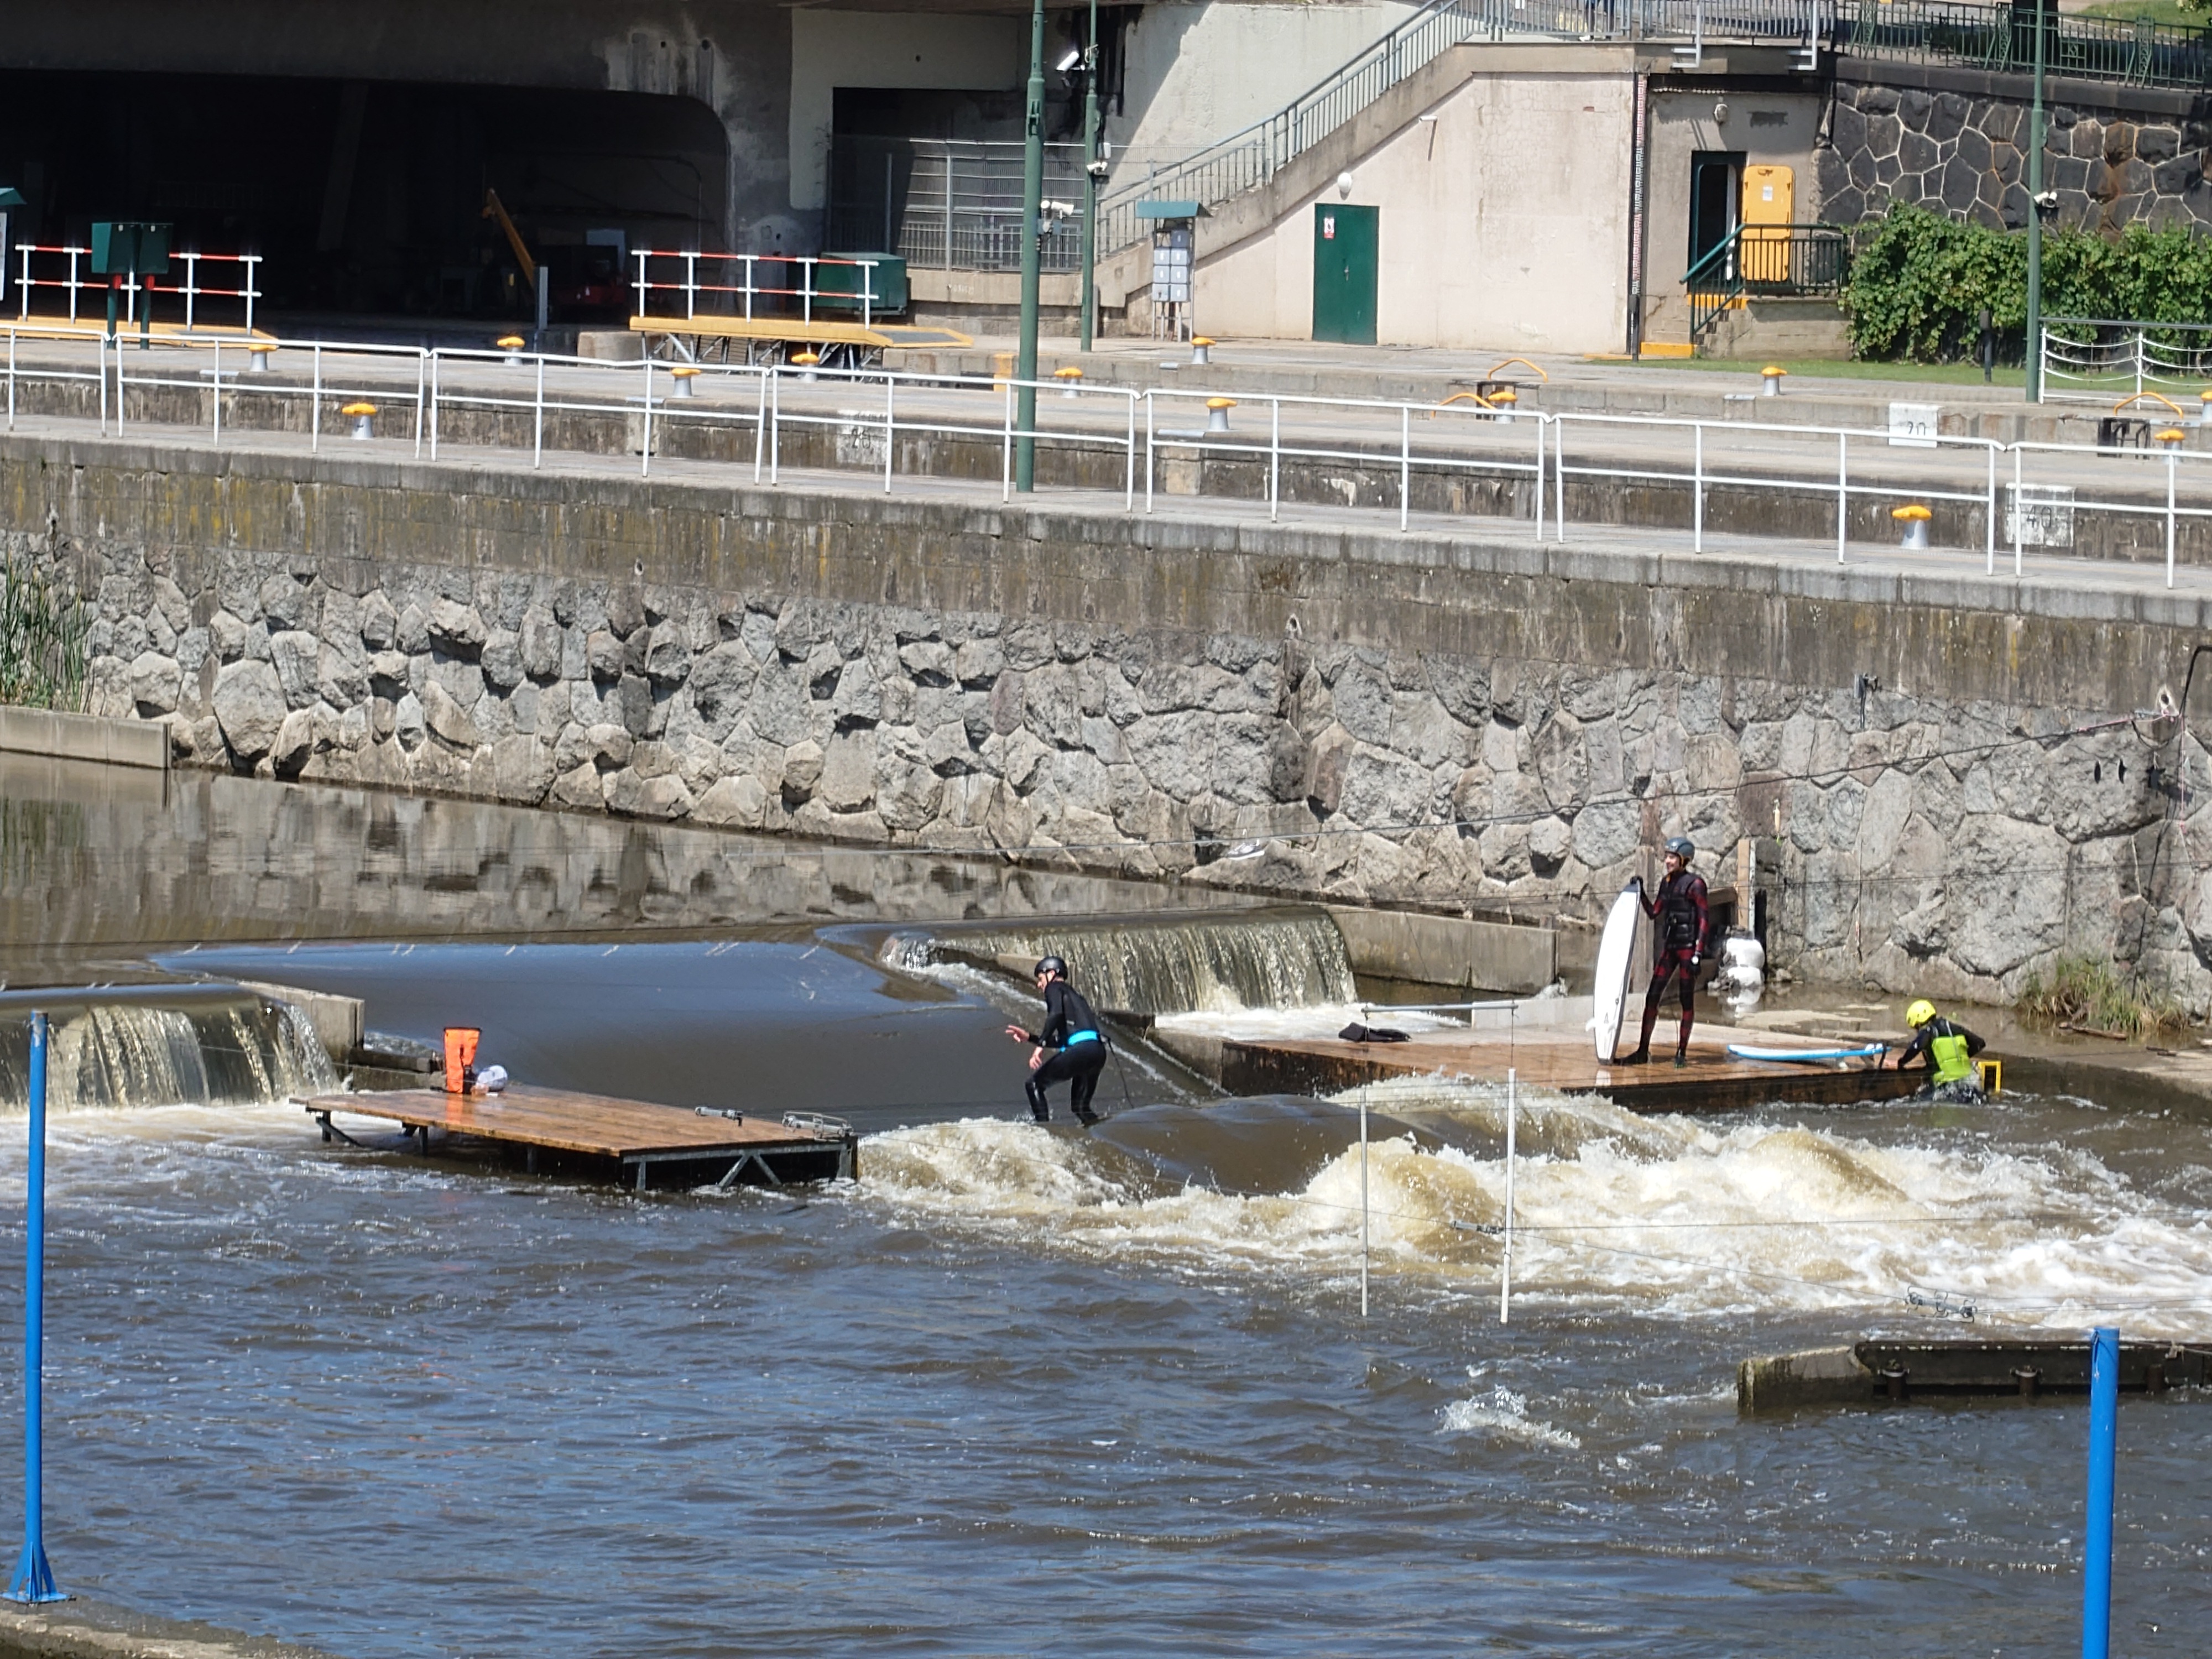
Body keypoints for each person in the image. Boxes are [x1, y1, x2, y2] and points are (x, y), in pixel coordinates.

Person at [1624, 836, 1709, 1068]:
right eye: (1667, 857)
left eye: (1672, 857)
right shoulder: (1667, 883)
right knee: (1652, 997)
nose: (1668, 861)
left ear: (1684, 860)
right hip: (1671, 947)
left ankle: (1681, 1052)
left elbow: (1704, 920)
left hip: (1688, 949)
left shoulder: (1696, 885)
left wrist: (1698, 954)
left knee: (1686, 1000)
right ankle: (1642, 1051)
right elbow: (1654, 912)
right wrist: (1641, 892)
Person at [1004, 956, 1107, 1125]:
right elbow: (1065, 1040)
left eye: (1040, 979)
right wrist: (1030, 1037)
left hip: (1081, 1050)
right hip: (1097, 1051)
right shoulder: (1077, 998)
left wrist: (1040, 1046)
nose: (1039, 985)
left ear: (1051, 974)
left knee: (1034, 1085)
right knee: (1080, 1107)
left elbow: (1056, 1014)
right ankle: (1100, 1131)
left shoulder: (1054, 987)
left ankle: (1045, 1133)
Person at [1892, 999, 1987, 1101]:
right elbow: (1980, 1043)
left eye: (1916, 1027)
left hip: (1946, 1087)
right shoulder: (1955, 1028)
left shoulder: (1929, 1031)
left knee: (1916, 1100)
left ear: (1919, 1024)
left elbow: (1916, 1047)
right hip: (1969, 1086)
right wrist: (1960, 1058)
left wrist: (1902, 1062)